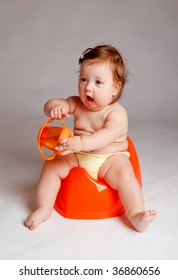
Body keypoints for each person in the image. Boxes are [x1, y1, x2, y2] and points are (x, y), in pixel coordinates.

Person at [25, 44, 157, 231]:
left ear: (115, 88)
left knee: (125, 176)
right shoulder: (77, 103)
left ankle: (135, 214)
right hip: (78, 156)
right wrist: (55, 108)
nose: (88, 88)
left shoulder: (116, 113)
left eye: (98, 82)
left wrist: (81, 142)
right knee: (52, 166)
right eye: (83, 79)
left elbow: (106, 136)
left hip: (109, 159)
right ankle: (44, 207)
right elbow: (51, 104)